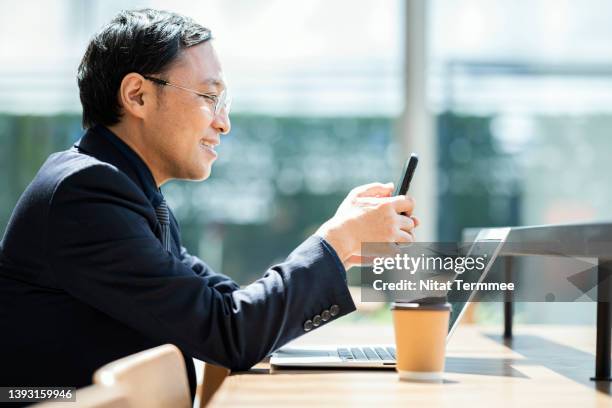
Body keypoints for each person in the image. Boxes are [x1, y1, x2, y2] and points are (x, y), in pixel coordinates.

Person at [0, 9, 417, 403]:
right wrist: (335, 239)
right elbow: (229, 332)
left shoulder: (125, 190)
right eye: (208, 97)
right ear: (137, 96)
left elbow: (230, 305)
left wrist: (338, 247)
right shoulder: (87, 195)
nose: (223, 122)